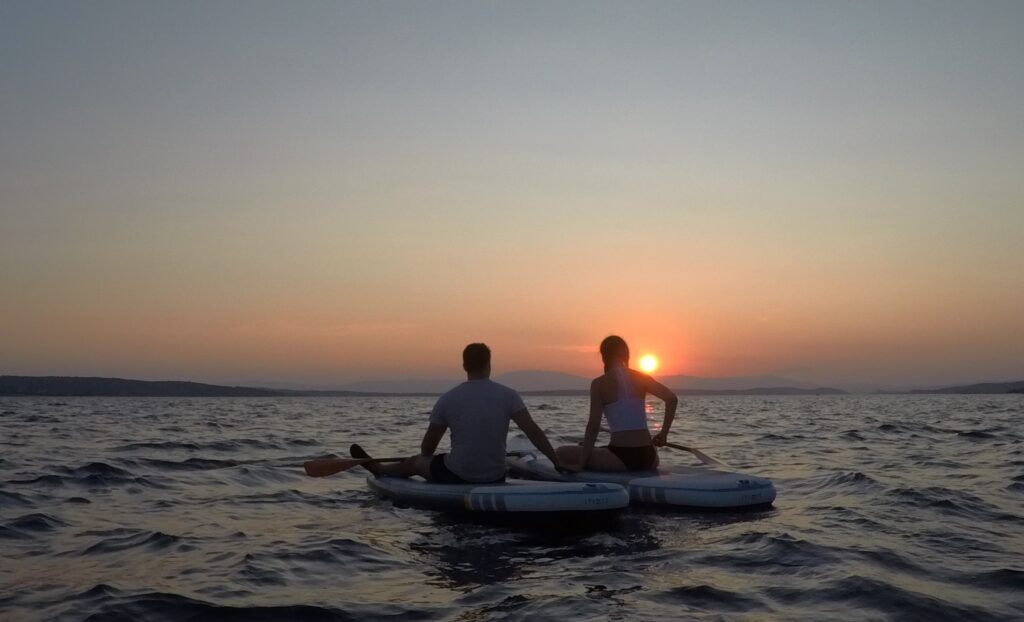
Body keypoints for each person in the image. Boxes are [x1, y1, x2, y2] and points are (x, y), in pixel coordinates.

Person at [351, 342, 568, 482]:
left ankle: (381, 469)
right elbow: (534, 432)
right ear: (489, 365)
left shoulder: (448, 399)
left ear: (464, 366)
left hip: (459, 475)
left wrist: (432, 456)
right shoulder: (509, 395)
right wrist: (555, 461)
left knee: (415, 461)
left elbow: (427, 449)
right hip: (495, 475)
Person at [556, 335, 678, 472]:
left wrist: (581, 464)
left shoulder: (599, 384)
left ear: (604, 356)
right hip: (650, 457)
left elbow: (593, 427)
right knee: (588, 447)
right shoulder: (642, 377)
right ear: (626, 355)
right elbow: (672, 399)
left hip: (620, 457)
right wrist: (663, 434)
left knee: (561, 452)